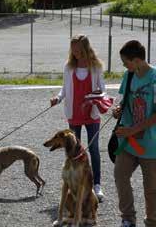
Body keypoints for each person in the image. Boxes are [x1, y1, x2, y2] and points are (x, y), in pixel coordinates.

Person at [50, 34, 105, 201]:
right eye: (73, 50)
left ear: (86, 48)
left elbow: (103, 90)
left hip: (92, 114)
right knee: (73, 151)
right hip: (74, 115)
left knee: (93, 148)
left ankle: (96, 185)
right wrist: (57, 99)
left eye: (79, 50)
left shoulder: (96, 66)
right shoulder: (69, 67)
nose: (76, 53)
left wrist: (99, 96)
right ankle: (75, 184)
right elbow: (64, 90)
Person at [112, 40, 156, 227]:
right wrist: (118, 109)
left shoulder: (155, 78)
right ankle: (128, 218)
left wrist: (133, 129)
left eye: (126, 62)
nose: (124, 65)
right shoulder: (129, 75)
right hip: (128, 141)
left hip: (151, 144)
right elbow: (124, 100)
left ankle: (152, 221)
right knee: (120, 176)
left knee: (151, 188)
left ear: (137, 60)